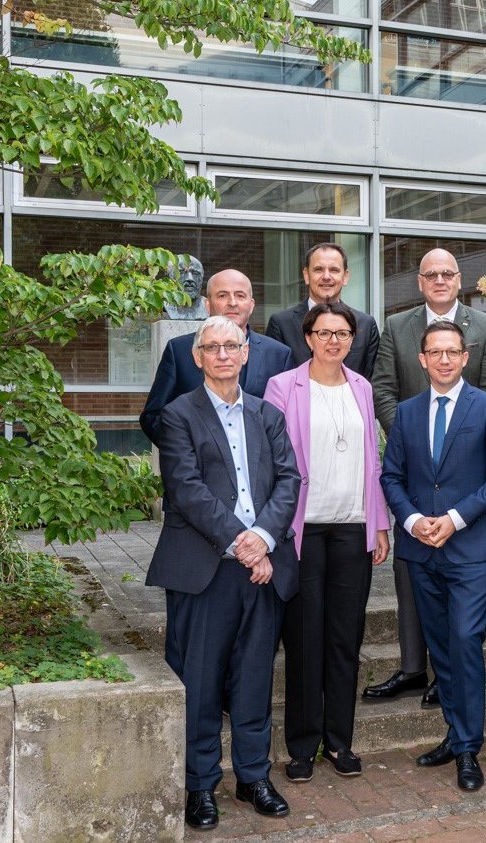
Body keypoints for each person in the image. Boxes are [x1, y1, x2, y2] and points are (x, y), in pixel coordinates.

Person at [145, 316, 301, 828]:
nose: (222, 354)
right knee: (201, 682)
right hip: (206, 569)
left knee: (255, 679)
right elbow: (187, 490)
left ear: (246, 353)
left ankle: (254, 776)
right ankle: (199, 784)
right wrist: (243, 541)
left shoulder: (268, 414)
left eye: (231, 345)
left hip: (263, 569)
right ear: (197, 358)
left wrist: (264, 542)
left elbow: (288, 480)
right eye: (211, 347)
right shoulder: (177, 416)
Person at [366, 248, 486, 709]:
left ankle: (448, 680)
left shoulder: (485, 328)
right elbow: (383, 389)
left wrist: (451, 439)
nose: (441, 280)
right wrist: (412, 434)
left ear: (459, 278)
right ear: (420, 281)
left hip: (466, 479)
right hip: (414, 473)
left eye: (449, 273)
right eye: (432, 274)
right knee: (414, 584)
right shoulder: (396, 326)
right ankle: (414, 667)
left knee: (461, 613)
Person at [380, 320, 486, 792]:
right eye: (434, 352)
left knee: (464, 641)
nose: (443, 359)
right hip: (421, 550)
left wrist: (456, 518)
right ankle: (454, 734)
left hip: (469, 549)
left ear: (465, 358)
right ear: (422, 360)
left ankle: (467, 749)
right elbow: (391, 477)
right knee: (441, 648)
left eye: (452, 352)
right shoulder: (406, 412)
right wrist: (413, 521)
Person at [264, 301, 392, 784]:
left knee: (344, 638)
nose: (334, 340)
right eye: (324, 332)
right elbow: (273, 460)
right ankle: (302, 745)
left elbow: (373, 463)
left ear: (352, 339)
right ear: (309, 337)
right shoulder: (283, 386)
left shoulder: (361, 387)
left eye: (343, 333)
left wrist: (378, 524)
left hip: (352, 528)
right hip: (303, 530)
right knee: (302, 639)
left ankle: (340, 742)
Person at [141, 269, 294, 445]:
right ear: (208, 305)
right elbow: (153, 416)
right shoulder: (179, 350)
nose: (232, 303)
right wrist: (184, 453)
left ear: (251, 305)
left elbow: (289, 420)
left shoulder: (279, 355)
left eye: (240, 295)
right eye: (222, 296)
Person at [266, 243, 380, 378]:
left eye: (334, 270)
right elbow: (274, 379)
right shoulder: (281, 324)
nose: (326, 276)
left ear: (345, 277)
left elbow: (373, 381)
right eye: (319, 270)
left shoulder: (366, 325)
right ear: (306, 275)